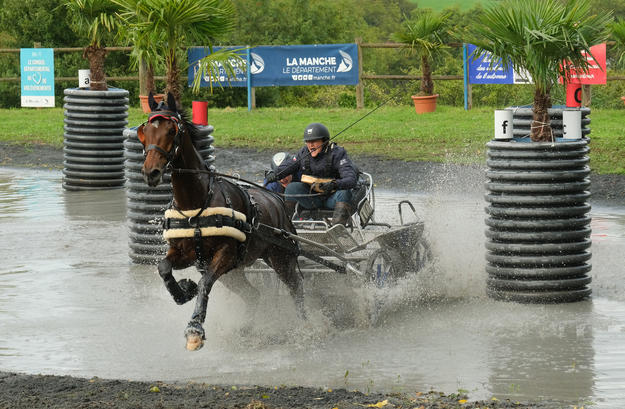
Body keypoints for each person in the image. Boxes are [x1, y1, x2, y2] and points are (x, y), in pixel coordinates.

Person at [265, 122, 358, 226]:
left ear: (324, 141)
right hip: (313, 198)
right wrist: (275, 174)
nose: (310, 145)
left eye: (314, 141)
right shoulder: (304, 153)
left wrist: (335, 184)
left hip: (333, 198)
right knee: (292, 188)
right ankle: (287, 225)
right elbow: (289, 165)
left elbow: (351, 179)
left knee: (345, 193)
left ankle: (338, 228)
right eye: (308, 142)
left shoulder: (337, 153)